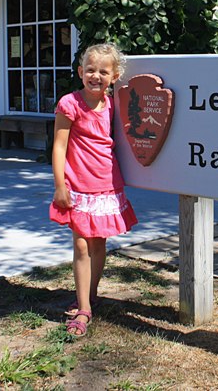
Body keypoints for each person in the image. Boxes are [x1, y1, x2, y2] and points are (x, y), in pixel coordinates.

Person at [49, 43, 137, 337]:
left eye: (103, 71)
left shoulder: (113, 104)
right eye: (90, 70)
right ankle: (83, 308)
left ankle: (91, 294)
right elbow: (59, 146)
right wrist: (60, 185)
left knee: (99, 244)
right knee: (81, 245)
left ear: (114, 77)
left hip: (106, 184)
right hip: (77, 186)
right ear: (80, 72)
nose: (95, 76)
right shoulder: (70, 104)